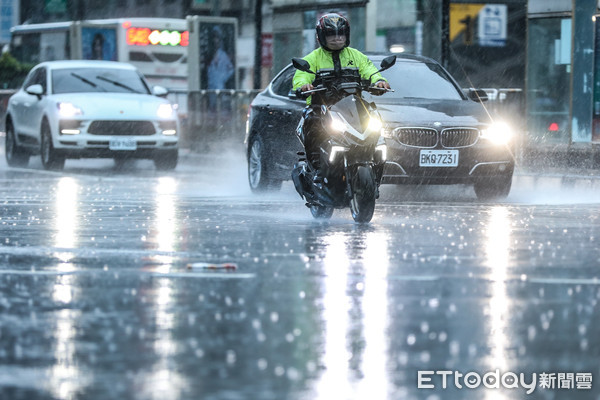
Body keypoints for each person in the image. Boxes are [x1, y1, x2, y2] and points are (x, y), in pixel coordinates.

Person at [292, 13, 391, 169]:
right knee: (311, 121)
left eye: (341, 34)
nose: (337, 38)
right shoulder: (313, 58)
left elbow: (370, 71)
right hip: (323, 108)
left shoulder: (357, 56)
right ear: (320, 36)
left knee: (375, 120)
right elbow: (301, 76)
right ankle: (315, 167)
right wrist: (304, 86)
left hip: (354, 109)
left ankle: (375, 161)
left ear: (347, 35)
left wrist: (379, 82)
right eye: (331, 34)